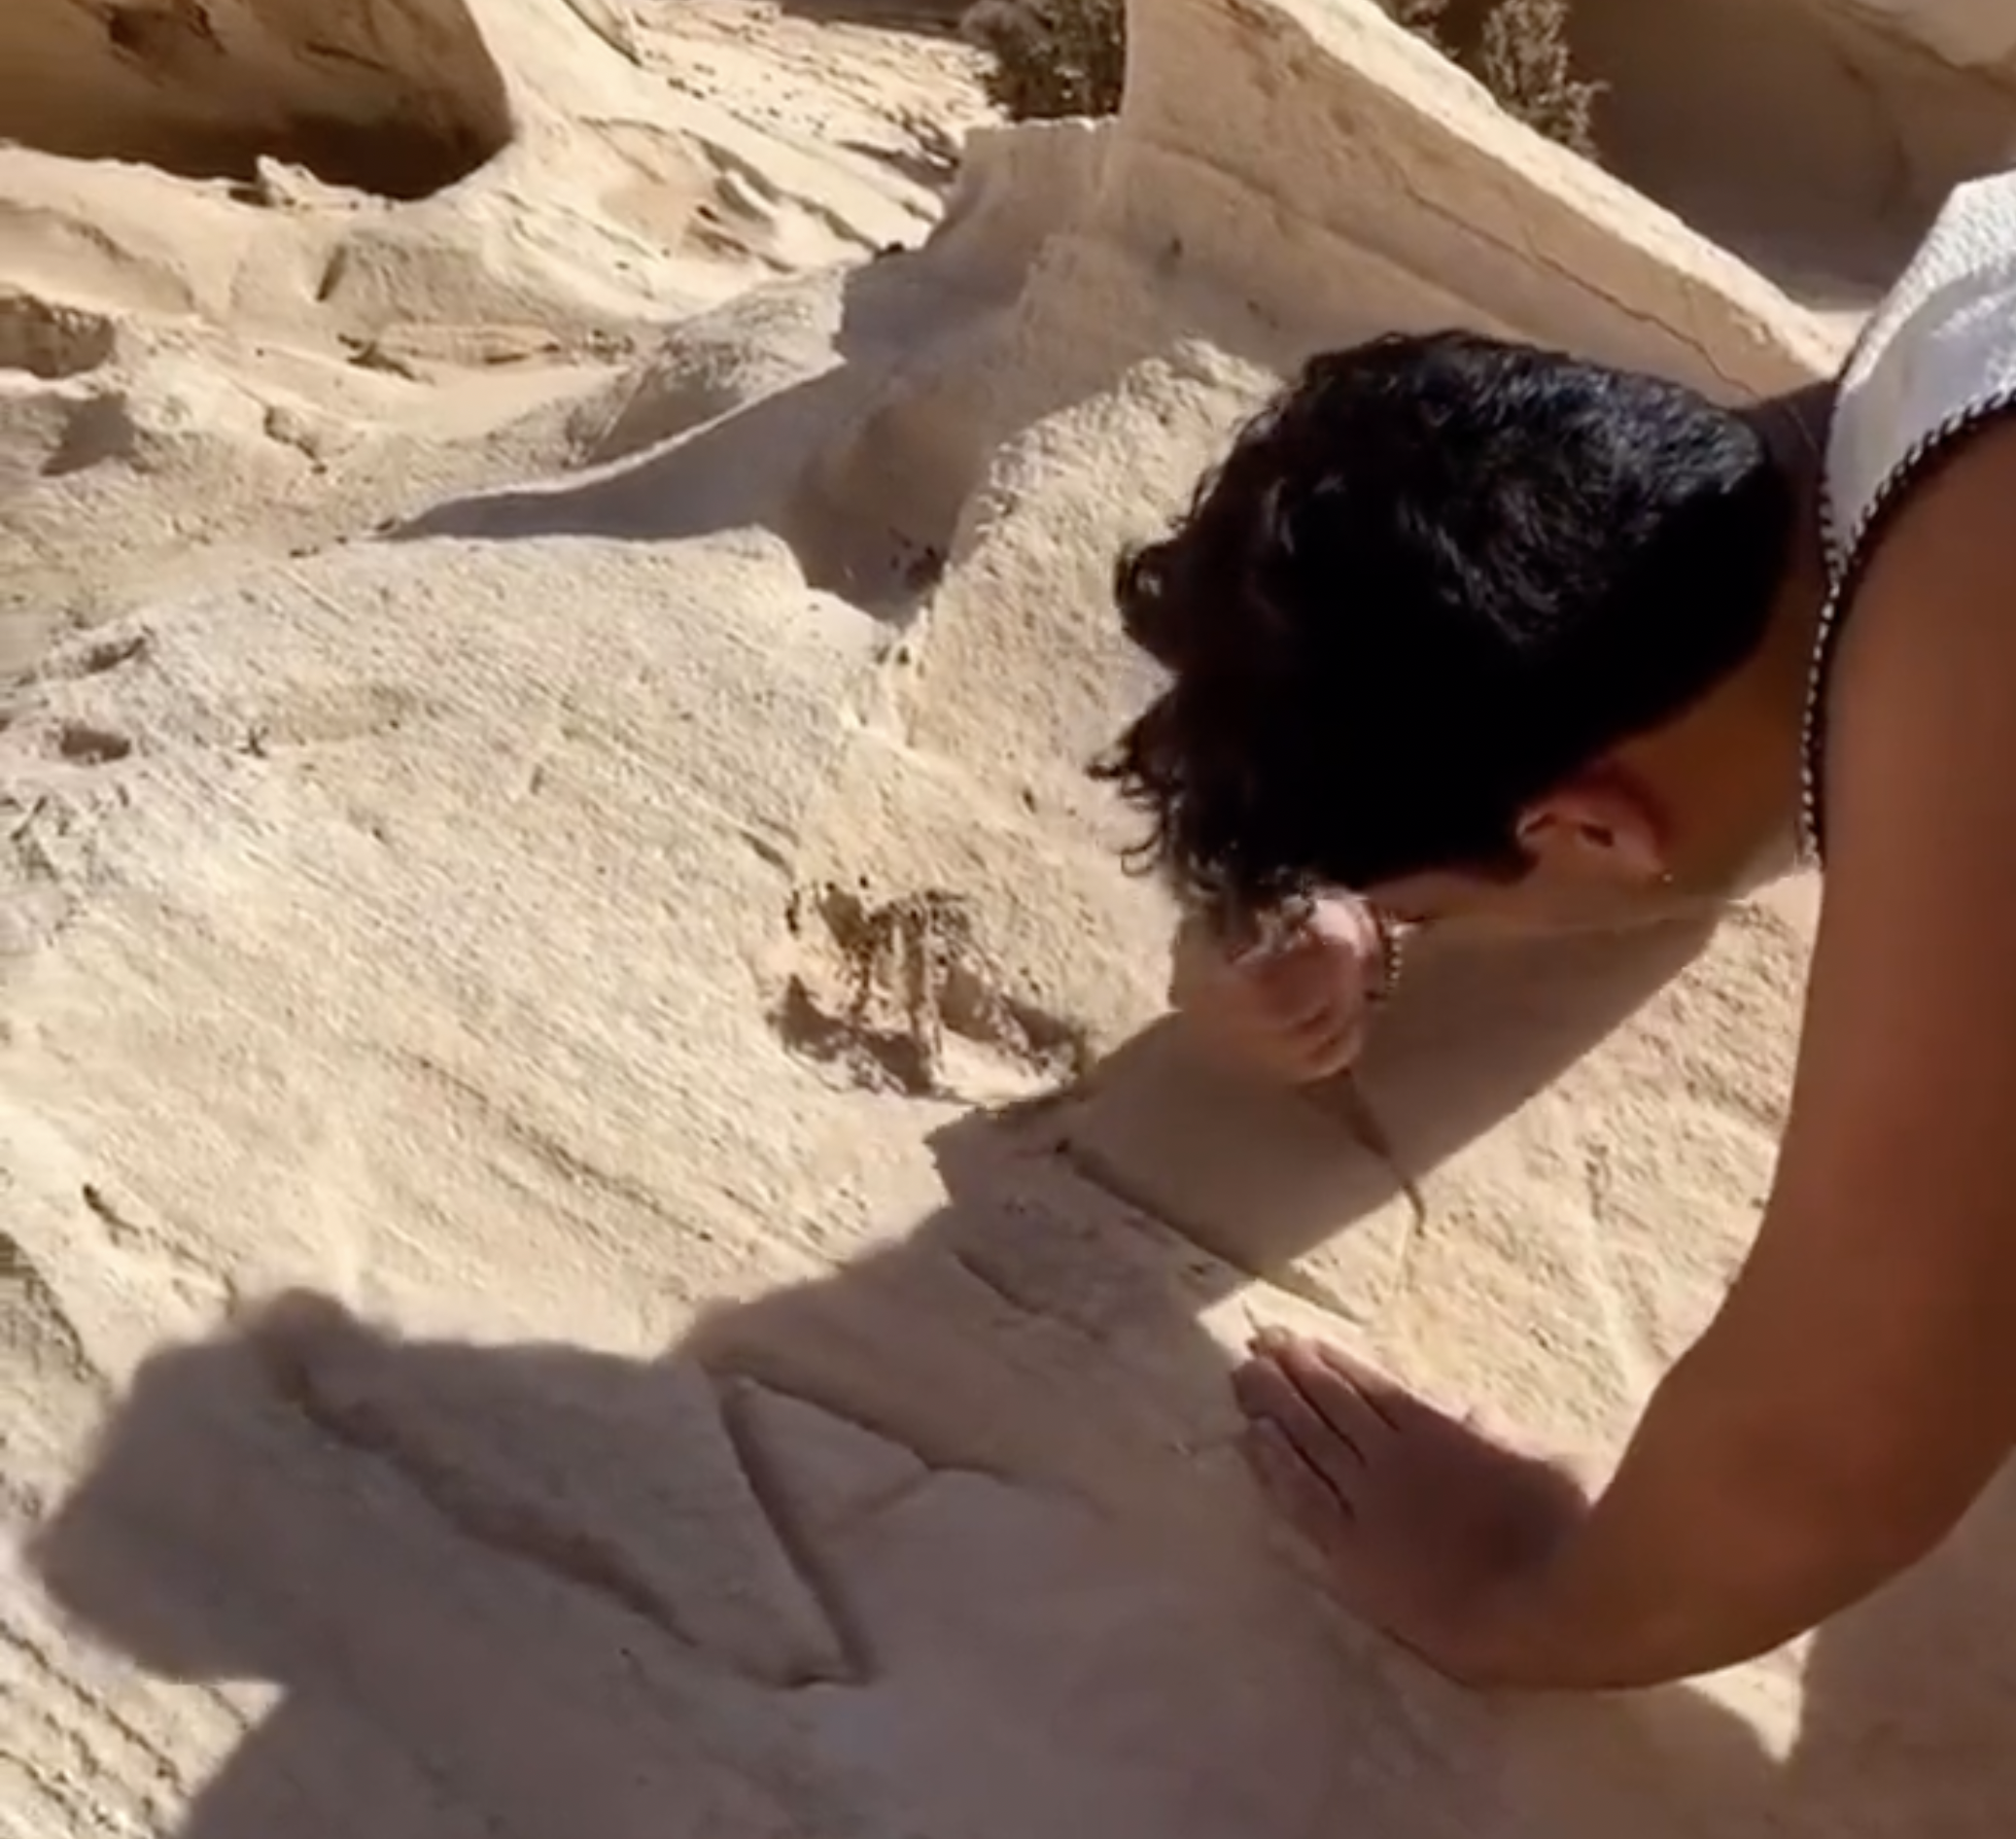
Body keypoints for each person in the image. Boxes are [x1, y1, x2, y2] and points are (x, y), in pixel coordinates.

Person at [1095, 171, 2016, 1690]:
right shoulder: (1959, 304)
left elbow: (1838, 1447)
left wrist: (1520, 1598)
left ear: (1587, 827)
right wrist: (1367, 886)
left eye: (1441, 905)